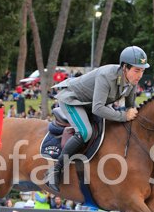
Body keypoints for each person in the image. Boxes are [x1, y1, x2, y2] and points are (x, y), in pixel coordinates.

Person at [47, 46, 148, 192]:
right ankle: (55, 170)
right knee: (85, 132)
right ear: (125, 67)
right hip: (73, 100)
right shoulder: (106, 76)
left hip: (91, 104)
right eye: (137, 70)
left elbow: (130, 107)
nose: (140, 75)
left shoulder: (132, 81)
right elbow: (98, 109)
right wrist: (123, 116)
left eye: (142, 71)